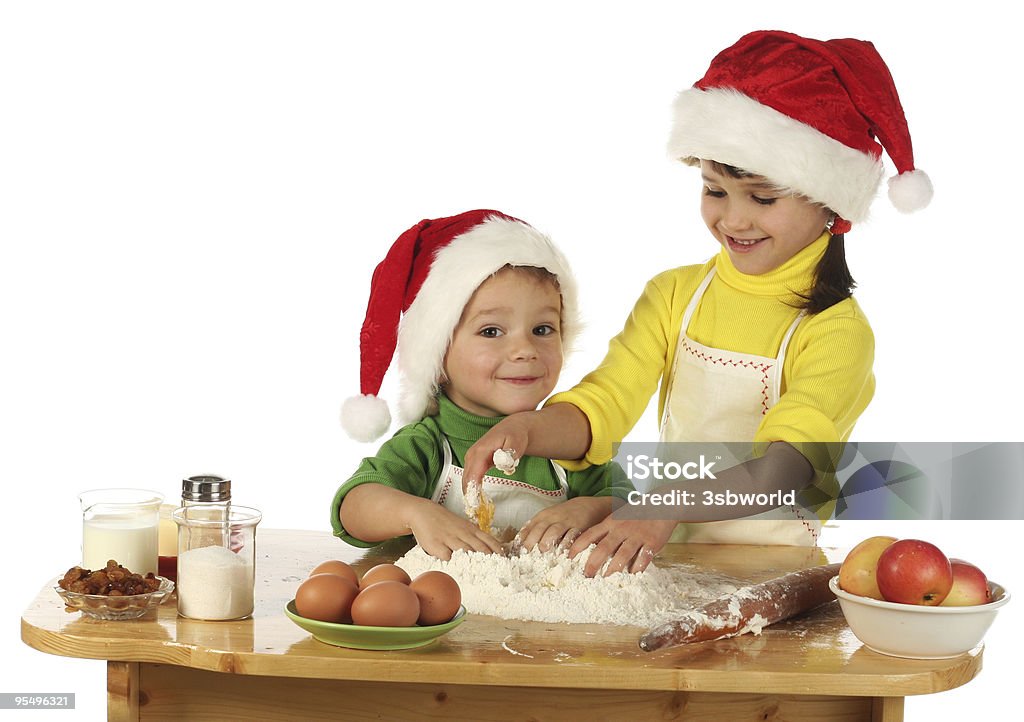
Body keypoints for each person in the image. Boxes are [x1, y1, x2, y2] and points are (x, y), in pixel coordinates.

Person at [463, 31, 932, 575]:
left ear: (829, 200)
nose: (733, 220)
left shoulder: (835, 331)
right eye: (714, 191)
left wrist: (657, 507)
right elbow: (607, 401)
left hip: (770, 567)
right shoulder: (675, 295)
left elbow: (783, 472)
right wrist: (528, 431)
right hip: (664, 548)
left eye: (762, 197)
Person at [332, 210, 633, 560]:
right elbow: (352, 508)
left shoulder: (563, 442)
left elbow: (633, 504)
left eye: (542, 329)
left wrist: (589, 510)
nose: (525, 350)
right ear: (437, 354)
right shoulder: (427, 444)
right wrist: (417, 514)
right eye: (491, 331)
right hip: (449, 613)